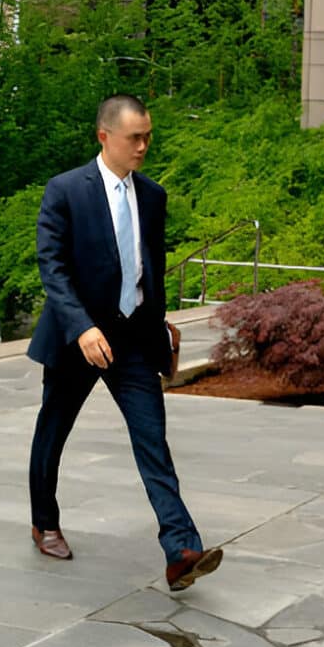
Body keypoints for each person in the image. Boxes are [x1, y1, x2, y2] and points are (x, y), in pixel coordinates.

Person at [26, 94, 222, 591]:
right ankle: (45, 522)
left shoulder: (153, 196)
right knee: (53, 432)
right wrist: (82, 327)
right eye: (135, 137)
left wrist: (161, 325)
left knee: (153, 440)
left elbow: (147, 269)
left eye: (148, 136)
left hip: (133, 339)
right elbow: (53, 268)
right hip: (80, 338)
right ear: (104, 136)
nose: (144, 146)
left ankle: (180, 548)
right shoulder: (65, 191)